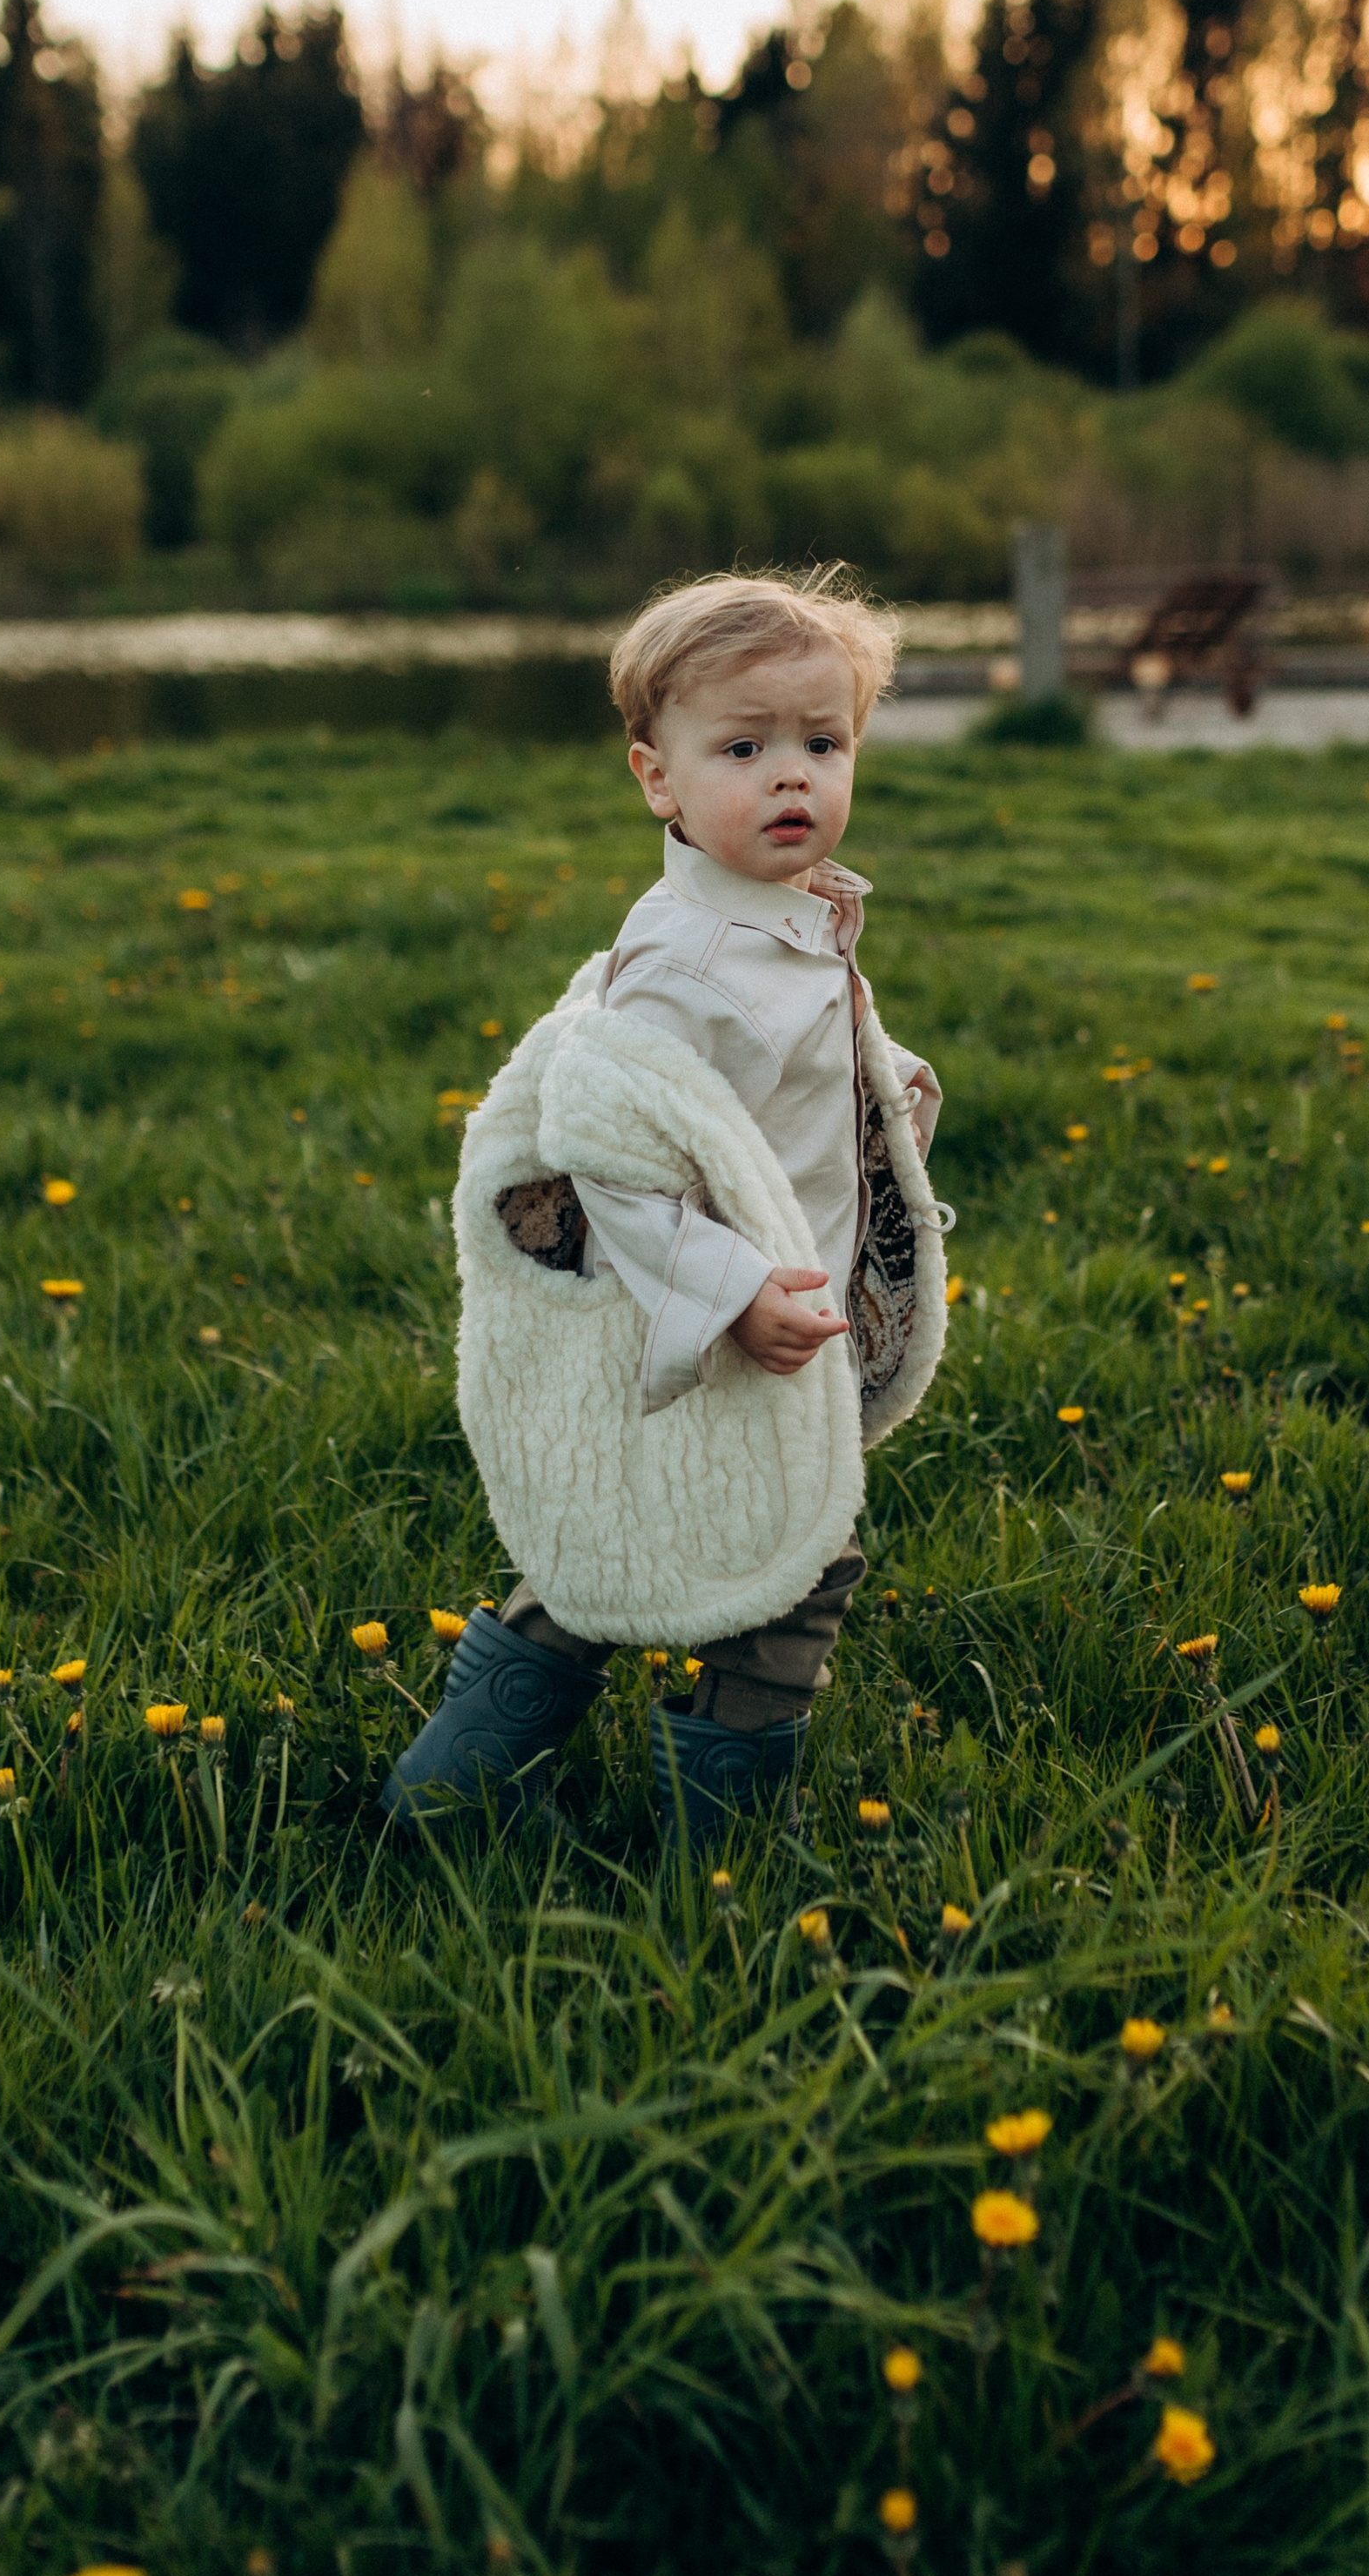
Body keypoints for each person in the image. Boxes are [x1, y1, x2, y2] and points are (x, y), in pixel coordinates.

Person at [383, 568, 947, 1847]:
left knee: (628, 1552)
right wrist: (735, 1293)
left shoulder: (783, 915)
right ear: (659, 778)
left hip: (775, 1294)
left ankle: (442, 1798)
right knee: (786, 1563)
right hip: (710, 1318)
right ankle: (719, 1856)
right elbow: (613, 1161)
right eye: (746, 748)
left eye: (824, 742)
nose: (793, 777)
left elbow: (803, 1050)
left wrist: (886, 1083)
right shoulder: (683, 968)